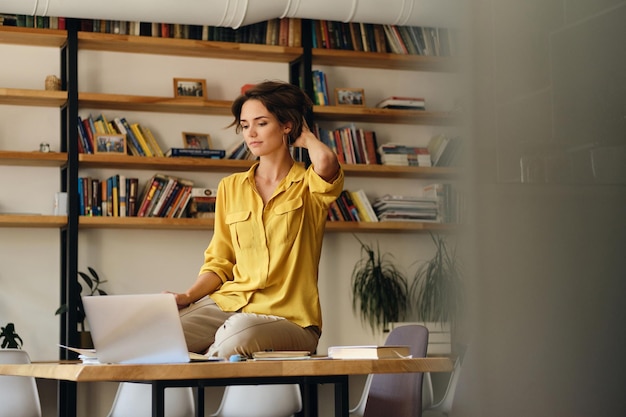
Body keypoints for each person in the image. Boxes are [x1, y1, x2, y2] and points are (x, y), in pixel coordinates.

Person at [166, 80, 344, 358]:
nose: (251, 133)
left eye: (261, 123)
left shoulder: (309, 185)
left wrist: (306, 136)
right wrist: (187, 297)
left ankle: (210, 363)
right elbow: (220, 261)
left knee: (238, 332)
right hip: (229, 304)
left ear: (286, 125)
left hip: (291, 319)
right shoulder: (231, 187)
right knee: (160, 332)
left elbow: (327, 163)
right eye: (245, 125)